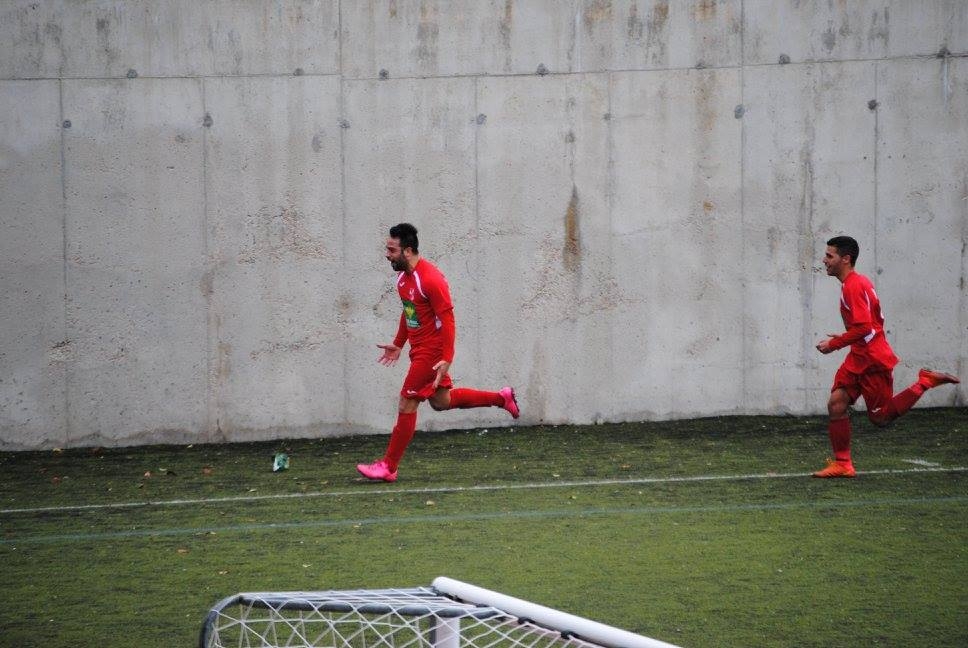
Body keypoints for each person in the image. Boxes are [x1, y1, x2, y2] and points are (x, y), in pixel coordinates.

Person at [356, 223, 520, 482]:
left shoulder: (430, 279)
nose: (387, 254)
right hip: (418, 350)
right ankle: (502, 398)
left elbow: (448, 319)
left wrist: (447, 358)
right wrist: (399, 343)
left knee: (407, 402)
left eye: (392, 250)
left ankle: (389, 466)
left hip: (431, 354)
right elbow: (409, 312)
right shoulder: (402, 279)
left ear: (407, 251)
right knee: (441, 402)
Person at [814, 235, 959, 477]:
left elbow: (864, 328)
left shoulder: (853, 286)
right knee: (836, 404)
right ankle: (843, 464)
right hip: (859, 355)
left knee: (880, 418)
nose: (824, 260)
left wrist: (835, 344)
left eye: (830, 256)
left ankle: (925, 382)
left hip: (872, 361)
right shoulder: (856, 283)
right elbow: (869, 325)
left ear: (846, 259)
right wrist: (845, 337)